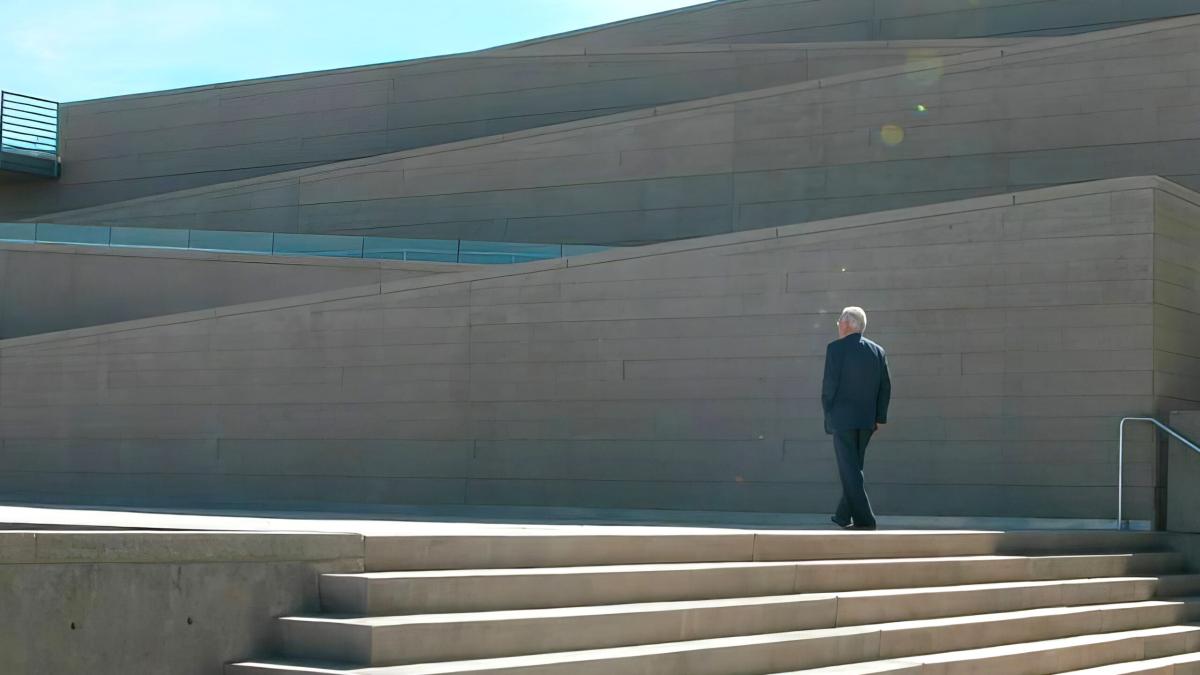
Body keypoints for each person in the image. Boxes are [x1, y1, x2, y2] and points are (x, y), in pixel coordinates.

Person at [822, 306, 891, 530]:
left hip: (843, 419)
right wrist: (879, 417)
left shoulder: (835, 349)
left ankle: (865, 521)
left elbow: (829, 386)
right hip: (867, 421)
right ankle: (843, 514)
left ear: (847, 324)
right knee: (854, 468)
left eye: (839, 321)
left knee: (849, 469)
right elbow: (885, 387)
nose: (838, 325)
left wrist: (828, 412)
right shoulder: (877, 351)